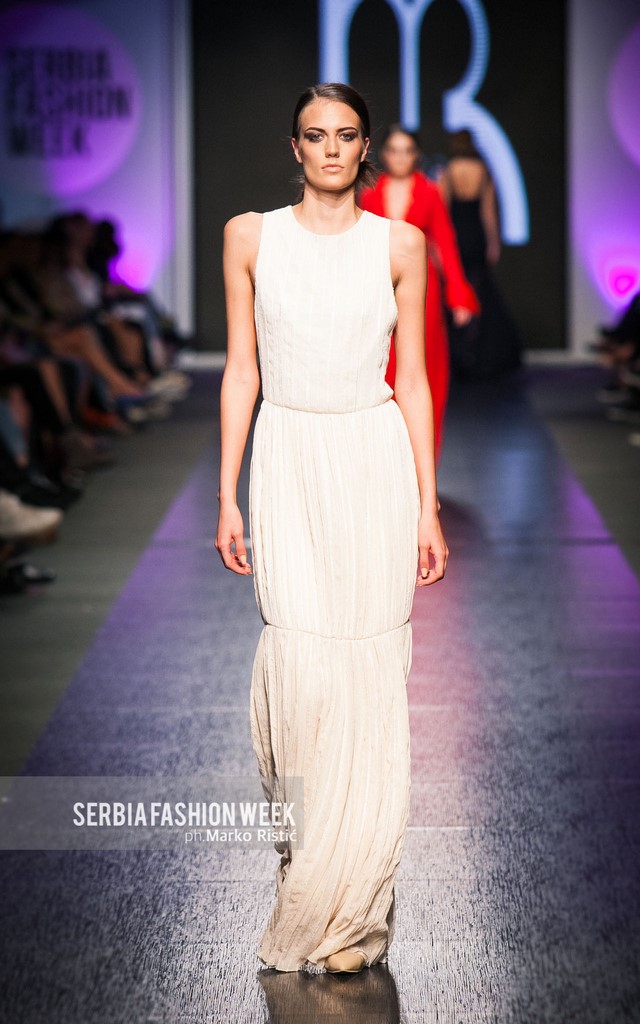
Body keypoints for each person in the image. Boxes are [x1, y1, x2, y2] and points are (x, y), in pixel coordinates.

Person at [214, 82, 448, 974]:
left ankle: (354, 913)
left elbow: (413, 379)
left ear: (365, 146)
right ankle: (307, 870)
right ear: (295, 146)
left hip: (371, 460)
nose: (332, 150)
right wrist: (227, 493)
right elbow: (242, 370)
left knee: (369, 675)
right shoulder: (250, 237)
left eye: (347, 135)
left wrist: (427, 502)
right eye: (316, 136)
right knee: (302, 671)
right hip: (288, 459)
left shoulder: (401, 244)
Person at [359, 125, 479, 463]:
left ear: (416, 155)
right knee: (380, 368)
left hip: (421, 288)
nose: (400, 157)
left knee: (424, 367)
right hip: (377, 286)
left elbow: (445, 241)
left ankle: (421, 460)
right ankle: (384, 460)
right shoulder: (370, 192)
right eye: (394, 150)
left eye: (407, 151)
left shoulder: (429, 192)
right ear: (384, 155)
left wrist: (458, 293)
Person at [439, 129, 523, 379]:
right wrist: (493, 243)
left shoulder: (449, 171)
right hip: (476, 237)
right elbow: (488, 213)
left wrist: (441, 246)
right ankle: (476, 353)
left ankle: (458, 355)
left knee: (455, 292)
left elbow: (443, 213)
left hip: (456, 237)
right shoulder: (483, 171)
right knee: (478, 292)